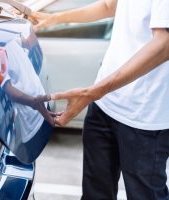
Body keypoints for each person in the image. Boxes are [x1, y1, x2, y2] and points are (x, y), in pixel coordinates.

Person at [29, 0, 169, 199]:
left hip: (145, 119)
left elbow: (164, 45)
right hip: (104, 106)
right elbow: (109, 6)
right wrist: (54, 19)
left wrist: (92, 92)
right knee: (94, 195)